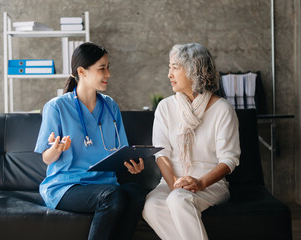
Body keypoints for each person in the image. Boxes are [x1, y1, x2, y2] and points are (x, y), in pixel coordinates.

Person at [35, 42, 146, 240]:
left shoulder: (110, 106)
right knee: (113, 196)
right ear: (82, 71)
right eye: (102, 69)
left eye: (108, 67)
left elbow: (121, 151)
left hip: (105, 184)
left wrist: (132, 164)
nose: (108, 74)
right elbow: (46, 158)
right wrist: (57, 149)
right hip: (66, 187)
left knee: (137, 193)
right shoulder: (57, 107)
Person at [142, 43, 241, 240]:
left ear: (195, 70)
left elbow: (229, 160)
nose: (169, 74)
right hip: (171, 182)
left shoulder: (222, 110)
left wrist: (201, 182)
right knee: (151, 205)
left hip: (210, 184)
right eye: (169, 67)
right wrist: (174, 184)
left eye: (175, 67)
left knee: (179, 200)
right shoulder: (165, 107)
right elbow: (160, 153)